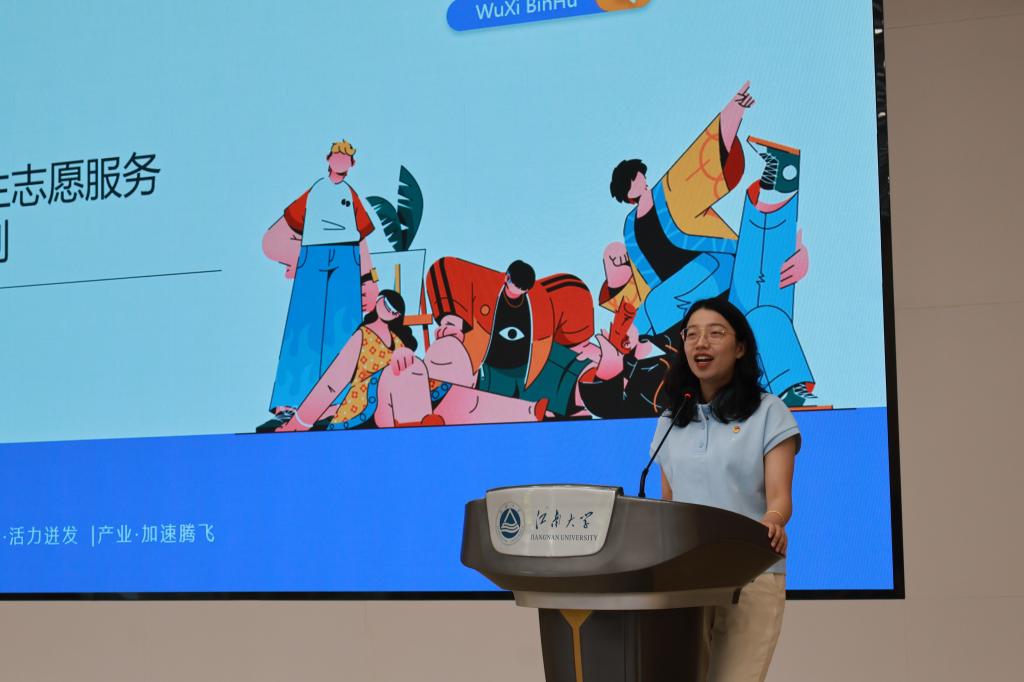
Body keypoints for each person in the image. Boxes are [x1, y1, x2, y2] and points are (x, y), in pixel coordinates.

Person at [651, 297, 799, 682]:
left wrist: (773, 520)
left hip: (750, 571)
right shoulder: (670, 419)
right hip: (685, 577)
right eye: (692, 335)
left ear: (740, 347)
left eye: (715, 333)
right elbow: (669, 502)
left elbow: (779, 497)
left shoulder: (769, 411)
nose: (701, 343)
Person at [260, 139, 379, 430]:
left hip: (346, 258)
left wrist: (369, 280)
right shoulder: (315, 191)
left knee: (344, 330)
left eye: (347, 157)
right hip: (313, 255)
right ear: (328, 159)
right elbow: (274, 237)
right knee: (303, 329)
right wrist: (295, 257)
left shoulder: (350, 195)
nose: (341, 161)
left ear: (352, 164)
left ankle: (338, 404)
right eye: (337, 155)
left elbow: (361, 240)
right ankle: (290, 402)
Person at [427, 257, 595, 416]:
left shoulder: (539, 299)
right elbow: (447, 268)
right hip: (490, 369)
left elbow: (571, 292)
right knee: (447, 355)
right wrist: (452, 322)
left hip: (530, 367)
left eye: (523, 289)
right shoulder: (485, 286)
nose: (518, 293)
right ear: (507, 278)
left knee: (576, 374)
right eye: (516, 287)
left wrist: (580, 344)